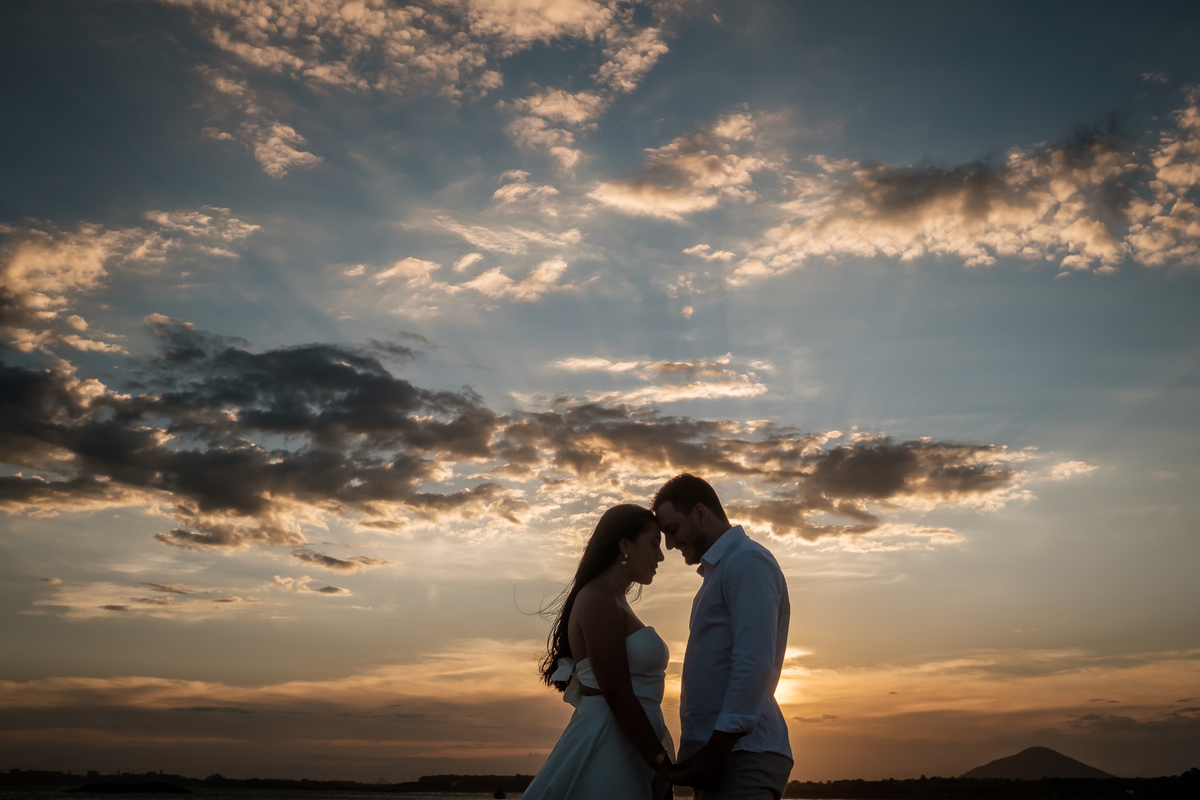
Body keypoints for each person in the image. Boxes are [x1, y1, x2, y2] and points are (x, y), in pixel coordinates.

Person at [525, 504, 688, 800]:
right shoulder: (598, 598)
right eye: (653, 544)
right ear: (625, 545)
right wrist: (665, 766)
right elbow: (617, 694)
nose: (661, 556)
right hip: (608, 744)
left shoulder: (613, 598)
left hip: (629, 745)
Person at [652, 474, 793, 800]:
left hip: (741, 754)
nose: (670, 545)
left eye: (672, 530)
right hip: (724, 755)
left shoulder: (745, 562)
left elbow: (754, 660)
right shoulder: (721, 571)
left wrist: (718, 747)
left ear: (701, 513)